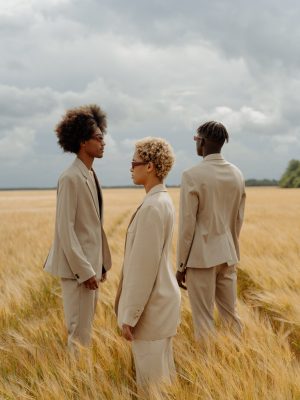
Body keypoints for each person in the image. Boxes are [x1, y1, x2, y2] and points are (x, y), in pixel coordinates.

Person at [115, 137, 181, 393]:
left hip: (151, 311)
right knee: (163, 384)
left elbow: (144, 270)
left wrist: (129, 316)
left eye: (134, 162)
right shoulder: (162, 200)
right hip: (161, 304)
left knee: (153, 388)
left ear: (150, 166)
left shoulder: (153, 207)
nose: (131, 168)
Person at [44, 104, 112, 351]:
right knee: (79, 334)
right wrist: (85, 270)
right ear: (83, 141)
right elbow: (66, 229)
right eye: (99, 138)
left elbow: (93, 226)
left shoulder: (90, 174)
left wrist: (100, 264)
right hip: (78, 271)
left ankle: (82, 381)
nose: (103, 142)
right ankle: (77, 385)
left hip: (89, 268)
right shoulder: (70, 177)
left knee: (85, 331)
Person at [176, 121, 245, 340]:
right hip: (228, 254)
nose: (196, 143)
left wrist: (180, 265)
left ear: (203, 142)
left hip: (200, 258)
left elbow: (187, 225)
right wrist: (231, 248)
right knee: (230, 316)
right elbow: (238, 220)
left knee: (203, 320)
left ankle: (207, 366)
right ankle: (238, 362)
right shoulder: (237, 174)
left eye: (196, 139)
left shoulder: (192, 175)